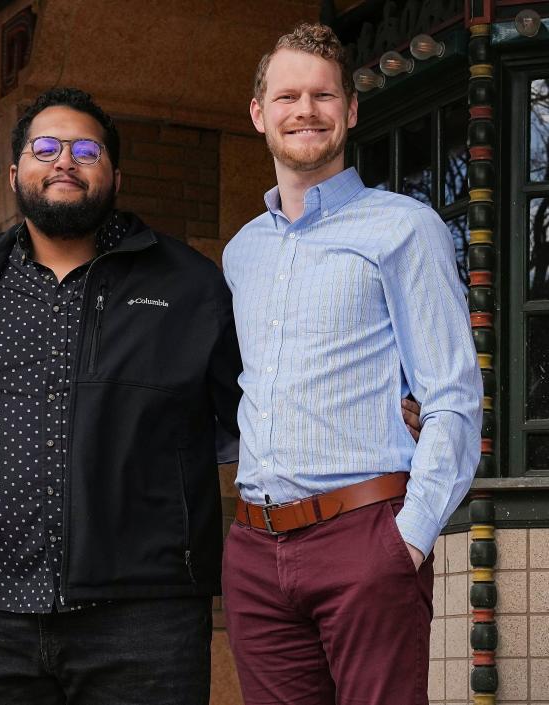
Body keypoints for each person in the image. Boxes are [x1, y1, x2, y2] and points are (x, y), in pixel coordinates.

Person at [0, 87, 243, 705]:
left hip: (144, 615)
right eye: (45, 147)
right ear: (13, 173)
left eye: (86, 149)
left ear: (115, 173)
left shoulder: (188, 283)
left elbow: (252, 413)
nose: (64, 162)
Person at [221, 23, 483, 705]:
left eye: (321, 95)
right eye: (285, 96)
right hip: (253, 546)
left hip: (364, 536)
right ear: (258, 113)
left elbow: (452, 394)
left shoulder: (403, 227)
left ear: (350, 110)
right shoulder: (240, 252)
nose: (303, 110)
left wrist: (410, 539)